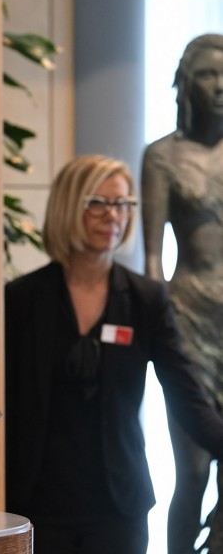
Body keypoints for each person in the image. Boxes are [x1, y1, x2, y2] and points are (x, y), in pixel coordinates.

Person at [4, 154, 223, 554]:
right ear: (69, 206)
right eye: (98, 203)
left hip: (119, 507)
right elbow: (6, 405)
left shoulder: (145, 299)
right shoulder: (22, 299)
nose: (113, 215)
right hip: (38, 505)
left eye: (122, 203)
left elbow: (187, 395)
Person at [142, 33, 223, 554]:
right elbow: (151, 258)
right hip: (188, 321)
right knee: (192, 471)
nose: (220, 86)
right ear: (185, 84)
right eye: (208, 75)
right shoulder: (162, 156)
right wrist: (157, 335)